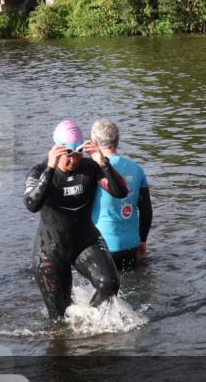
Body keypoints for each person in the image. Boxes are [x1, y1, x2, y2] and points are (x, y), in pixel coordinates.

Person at [24, 120, 128, 319]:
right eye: (68, 154)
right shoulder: (39, 172)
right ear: (56, 150)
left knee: (109, 284)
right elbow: (31, 204)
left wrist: (102, 162)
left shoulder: (90, 168)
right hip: (50, 250)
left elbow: (121, 192)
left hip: (85, 241)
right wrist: (50, 168)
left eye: (79, 152)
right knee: (59, 318)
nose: (74, 160)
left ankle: (87, 323)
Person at [90, 120, 152, 271]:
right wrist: (142, 241)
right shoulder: (137, 169)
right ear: (117, 141)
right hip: (131, 245)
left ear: (94, 142)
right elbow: (146, 211)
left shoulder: (91, 168)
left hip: (102, 247)